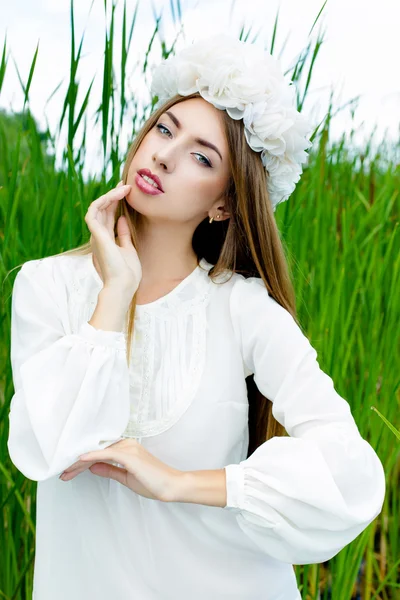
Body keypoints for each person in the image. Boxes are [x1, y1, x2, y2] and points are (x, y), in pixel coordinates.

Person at [7, 34, 385, 600]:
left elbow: (352, 473)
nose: (164, 154)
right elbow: (52, 447)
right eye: (165, 128)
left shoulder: (241, 306)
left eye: (202, 156)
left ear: (224, 204)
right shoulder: (46, 286)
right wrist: (117, 292)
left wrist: (181, 483)